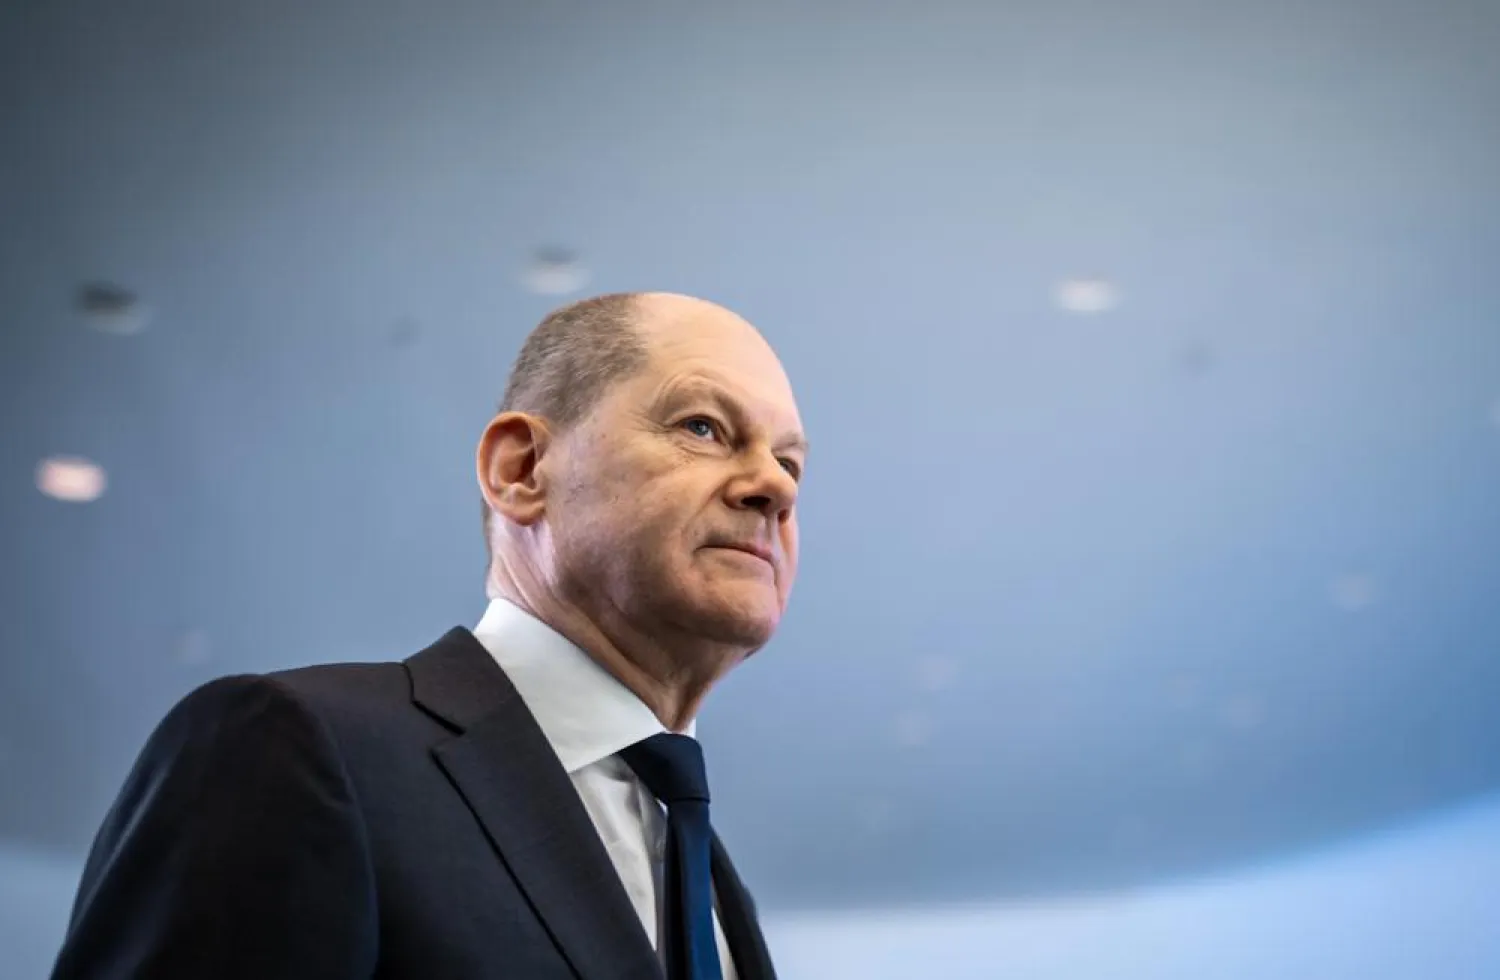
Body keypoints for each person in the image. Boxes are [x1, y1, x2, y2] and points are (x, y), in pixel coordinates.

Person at [51, 292, 807, 980]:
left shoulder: (704, 874)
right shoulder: (298, 748)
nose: (773, 486)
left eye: (789, 462)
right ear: (521, 469)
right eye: (703, 427)